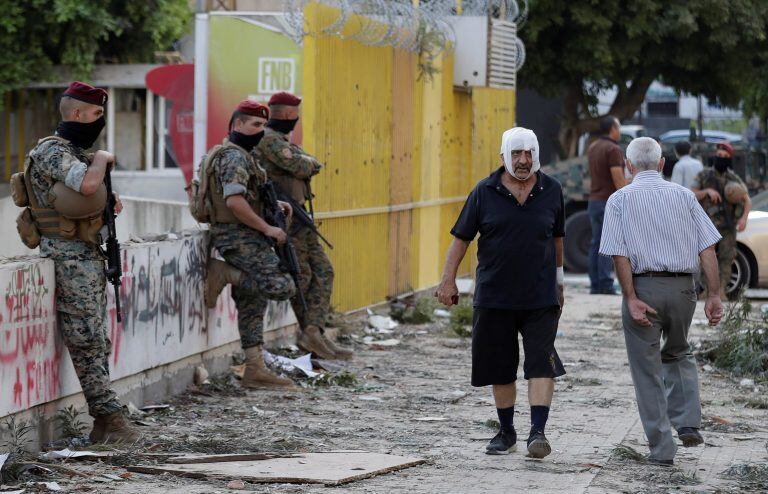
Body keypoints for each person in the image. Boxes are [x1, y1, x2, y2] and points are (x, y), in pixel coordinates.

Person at [436, 127, 566, 459]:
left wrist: (560, 281)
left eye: (529, 154)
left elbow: (558, 239)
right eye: (516, 154)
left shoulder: (552, 190)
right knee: (500, 366)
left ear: (537, 154)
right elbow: (461, 239)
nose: (523, 161)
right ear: (504, 156)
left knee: (541, 363)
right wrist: (447, 281)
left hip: (540, 296)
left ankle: (538, 432)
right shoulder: (484, 191)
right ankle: (507, 431)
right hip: (495, 296)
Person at [24, 82, 138, 442]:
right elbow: (85, 185)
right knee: (87, 338)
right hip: (66, 254)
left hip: (86, 253)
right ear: (76, 114)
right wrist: (102, 160)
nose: (99, 121)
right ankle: (110, 418)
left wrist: (109, 196)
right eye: (97, 114)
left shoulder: (72, 150)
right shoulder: (52, 151)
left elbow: (87, 193)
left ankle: (106, 422)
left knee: (95, 338)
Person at [599, 137, 724, 466]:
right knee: (680, 351)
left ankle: (662, 449)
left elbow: (620, 253)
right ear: (662, 164)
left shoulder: (619, 200)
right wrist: (714, 294)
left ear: (628, 166)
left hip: (644, 288)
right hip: (684, 290)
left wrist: (630, 297)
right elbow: (708, 247)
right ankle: (687, 423)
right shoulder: (685, 197)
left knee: (647, 369)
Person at [202, 99, 299, 390]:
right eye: (255, 124)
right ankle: (223, 273)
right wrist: (268, 228)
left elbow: (247, 197)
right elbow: (234, 202)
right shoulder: (234, 157)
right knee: (283, 286)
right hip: (237, 236)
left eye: (263, 125)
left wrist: (275, 206)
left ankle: (255, 368)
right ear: (237, 125)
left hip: (245, 234)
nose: (259, 130)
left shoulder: (244, 155)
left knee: (252, 299)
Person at [255, 91, 352, 360]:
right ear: (288, 115)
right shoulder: (269, 140)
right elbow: (302, 165)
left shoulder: (280, 140)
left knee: (323, 271)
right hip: (285, 219)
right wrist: (311, 163)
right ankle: (310, 335)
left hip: (299, 219)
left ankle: (314, 331)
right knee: (303, 276)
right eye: (295, 115)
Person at [691, 142, 751, 298]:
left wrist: (744, 218)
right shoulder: (704, 175)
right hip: (707, 224)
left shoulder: (733, 178)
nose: (720, 158)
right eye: (718, 155)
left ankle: (722, 290)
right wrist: (707, 191)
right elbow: (692, 193)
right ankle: (706, 291)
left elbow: (747, 199)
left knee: (727, 257)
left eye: (724, 157)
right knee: (705, 256)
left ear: (729, 159)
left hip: (727, 225)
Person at [587, 116, 626, 294]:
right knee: (606, 244)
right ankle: (605, 285)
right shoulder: (613, 149)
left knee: (595, 243)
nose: (620, 131)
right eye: (618, 127)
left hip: (593, 201)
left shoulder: (593, 147)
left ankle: (595, 284)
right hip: (607, 202)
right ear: (612, 128)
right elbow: (618, 179)